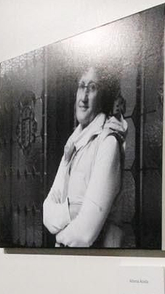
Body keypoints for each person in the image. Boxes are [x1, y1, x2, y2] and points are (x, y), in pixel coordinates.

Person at [43, 65, 132, 248]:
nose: (83, 98)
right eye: (81, 86)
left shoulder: (108, 142)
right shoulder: (74, 141)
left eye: (92, 88)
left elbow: (85, 234)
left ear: (103, 95)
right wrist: (73, 210)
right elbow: (46, 213)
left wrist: (59, 238)